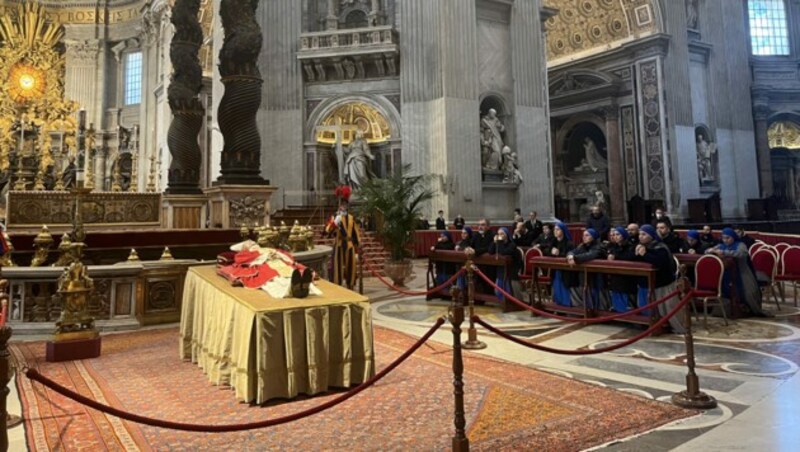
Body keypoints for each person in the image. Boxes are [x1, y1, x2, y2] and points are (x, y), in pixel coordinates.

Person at [706, 228, 770, 317]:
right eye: (724, 238)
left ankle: (751, 310)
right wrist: (712, 251)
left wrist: (724, 252)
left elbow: (741, 254)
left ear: (733, 237)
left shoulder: (740, 245)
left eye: (728, 238)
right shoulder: (721, 246)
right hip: (727, 274)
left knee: (749, 293)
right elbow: (707, 251)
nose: (725, 240)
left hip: (742, 273)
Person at [632, 225, 683, 333]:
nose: (640, 237)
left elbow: (659, 263)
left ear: (651, 236)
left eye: (644, 234)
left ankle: (669, 325)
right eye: (640, 234)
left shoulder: (660, 247)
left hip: (663, 283)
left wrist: (645, 254)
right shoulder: (640, 246)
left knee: (667, 307)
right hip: (647, 282)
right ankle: (650, 323)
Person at [324, 186, 362, 290]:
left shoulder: (351, 218)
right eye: (341, 204)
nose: (343, 206)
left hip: (349, 245)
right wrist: (334, 223)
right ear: (339, 205)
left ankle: (350, 286)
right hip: (339, 245)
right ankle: (337, 287)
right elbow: (327, 232)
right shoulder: (334, 217)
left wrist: (358, 245)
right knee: (337, 268)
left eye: (345, 204)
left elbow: (355, 233)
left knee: (351, 267)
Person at [567, 228, 607, 308]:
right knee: (586, 294)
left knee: (598, 297)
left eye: (587, 235)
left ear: (593, 237)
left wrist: (574, 258)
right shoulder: (582, 246)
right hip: (585, 276)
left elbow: (590, 255)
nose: (584, 237)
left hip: (597, 276)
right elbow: (572, 251)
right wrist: (570, 255)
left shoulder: (599, 246)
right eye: (583, 235)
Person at [606, 226, 637, 312]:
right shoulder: (613, 247)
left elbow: (630, 257)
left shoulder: (631, 246)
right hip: (615, 276)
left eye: (618, 234)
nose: (615, 236)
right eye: (614, 234)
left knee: (627, 298)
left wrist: (615, 257)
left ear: (623, 235)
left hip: (627, 277)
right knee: (616, 293)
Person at [489, 227, 524, 300]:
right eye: (498, 234)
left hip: (511, 270)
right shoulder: (498, 243)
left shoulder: (512, 244)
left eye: (502, 234)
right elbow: (490, 251)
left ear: (507, 235)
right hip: (501, 269)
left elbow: (503, 252)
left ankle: (509, 301)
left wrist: (500, 242)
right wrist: (494, 242)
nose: (500, 235)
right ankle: (503, 301)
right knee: (497, 290)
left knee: (510, 290)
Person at [550, 222, 576, 307]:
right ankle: (558, 305)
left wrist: (558, 253)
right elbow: (547, 251)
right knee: (556, 287)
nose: (555, 231)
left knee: (564, 288)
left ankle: (566, 305)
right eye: (554, 229)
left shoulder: (569, 243)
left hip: (566, 271)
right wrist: (551, 252)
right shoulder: (553, 241)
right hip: (555, 269)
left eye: (557, 229)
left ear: (563, 231)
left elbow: (569, 255)